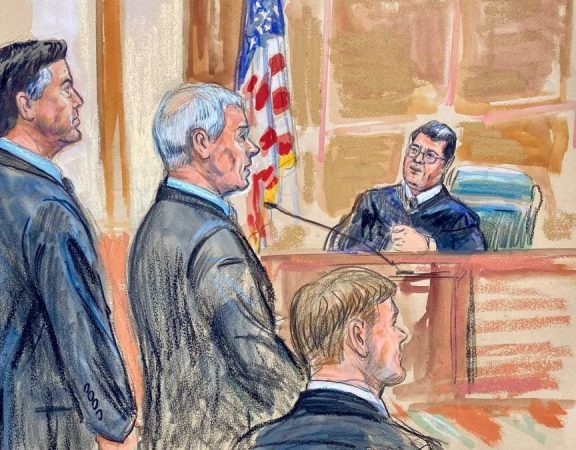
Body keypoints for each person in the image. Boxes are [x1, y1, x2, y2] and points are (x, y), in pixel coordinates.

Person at [0, 39, 136, 449]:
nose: (78, 99)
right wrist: (117, 424)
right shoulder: (47, 207)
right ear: (26, 105)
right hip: (52, 430)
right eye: (66, 87)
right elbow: (79, 331)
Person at [127, 83, 304, 449]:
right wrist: (317, 410)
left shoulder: (156, 224)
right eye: (240, 135)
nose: (252, 148)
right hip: (227, 440)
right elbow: (257, 360)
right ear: (202, 143)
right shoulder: (213, 238)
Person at [244, 267, 443, 449]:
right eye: (392, 323)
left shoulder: (256, 443)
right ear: (358, 336)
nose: (402, 334)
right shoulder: (407, 446)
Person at [325, 120, 486, 252]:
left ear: (446, 165)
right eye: (414, 149)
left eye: (430, 155)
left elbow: (475, 263)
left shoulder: (461, 218)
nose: (417, 160)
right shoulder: (374, 201)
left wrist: (429, 246)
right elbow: (340, 250)